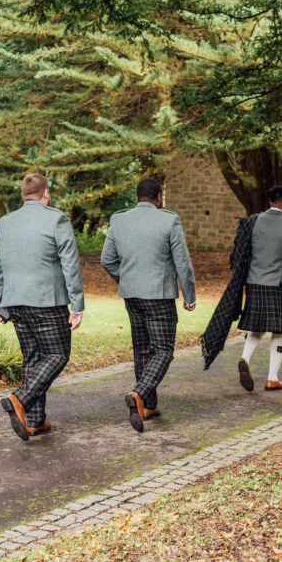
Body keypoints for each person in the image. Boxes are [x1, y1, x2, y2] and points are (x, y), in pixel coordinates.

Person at [0, 174, 84, 440]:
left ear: (23, 195)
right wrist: (77, 305)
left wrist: (2, 303)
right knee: (57, 355)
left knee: (33, 357)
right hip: (48, 301)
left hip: (16, 302)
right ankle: (19, 400)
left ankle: (34, 422)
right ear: (46, 194)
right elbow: (70, 263)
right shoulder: (56, 218)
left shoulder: (5, 222)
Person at [101, 177, 196, 432]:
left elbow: (107, 259)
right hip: (160, 295)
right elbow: (182, 263)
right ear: (159, 198)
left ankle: (149, 406)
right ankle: (139, 394)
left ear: (136, 198)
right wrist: (189, 296)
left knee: (143, 349)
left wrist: (127, 279)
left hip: (131, 295)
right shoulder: (169, 220)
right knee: (163, 350)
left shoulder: (119, 220)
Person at [236, 185, 282, 391]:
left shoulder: (254, 222)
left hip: (254, 283)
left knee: (256, 328)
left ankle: (245, 357)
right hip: (278, 285)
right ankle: (271, 378)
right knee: (279, 332)